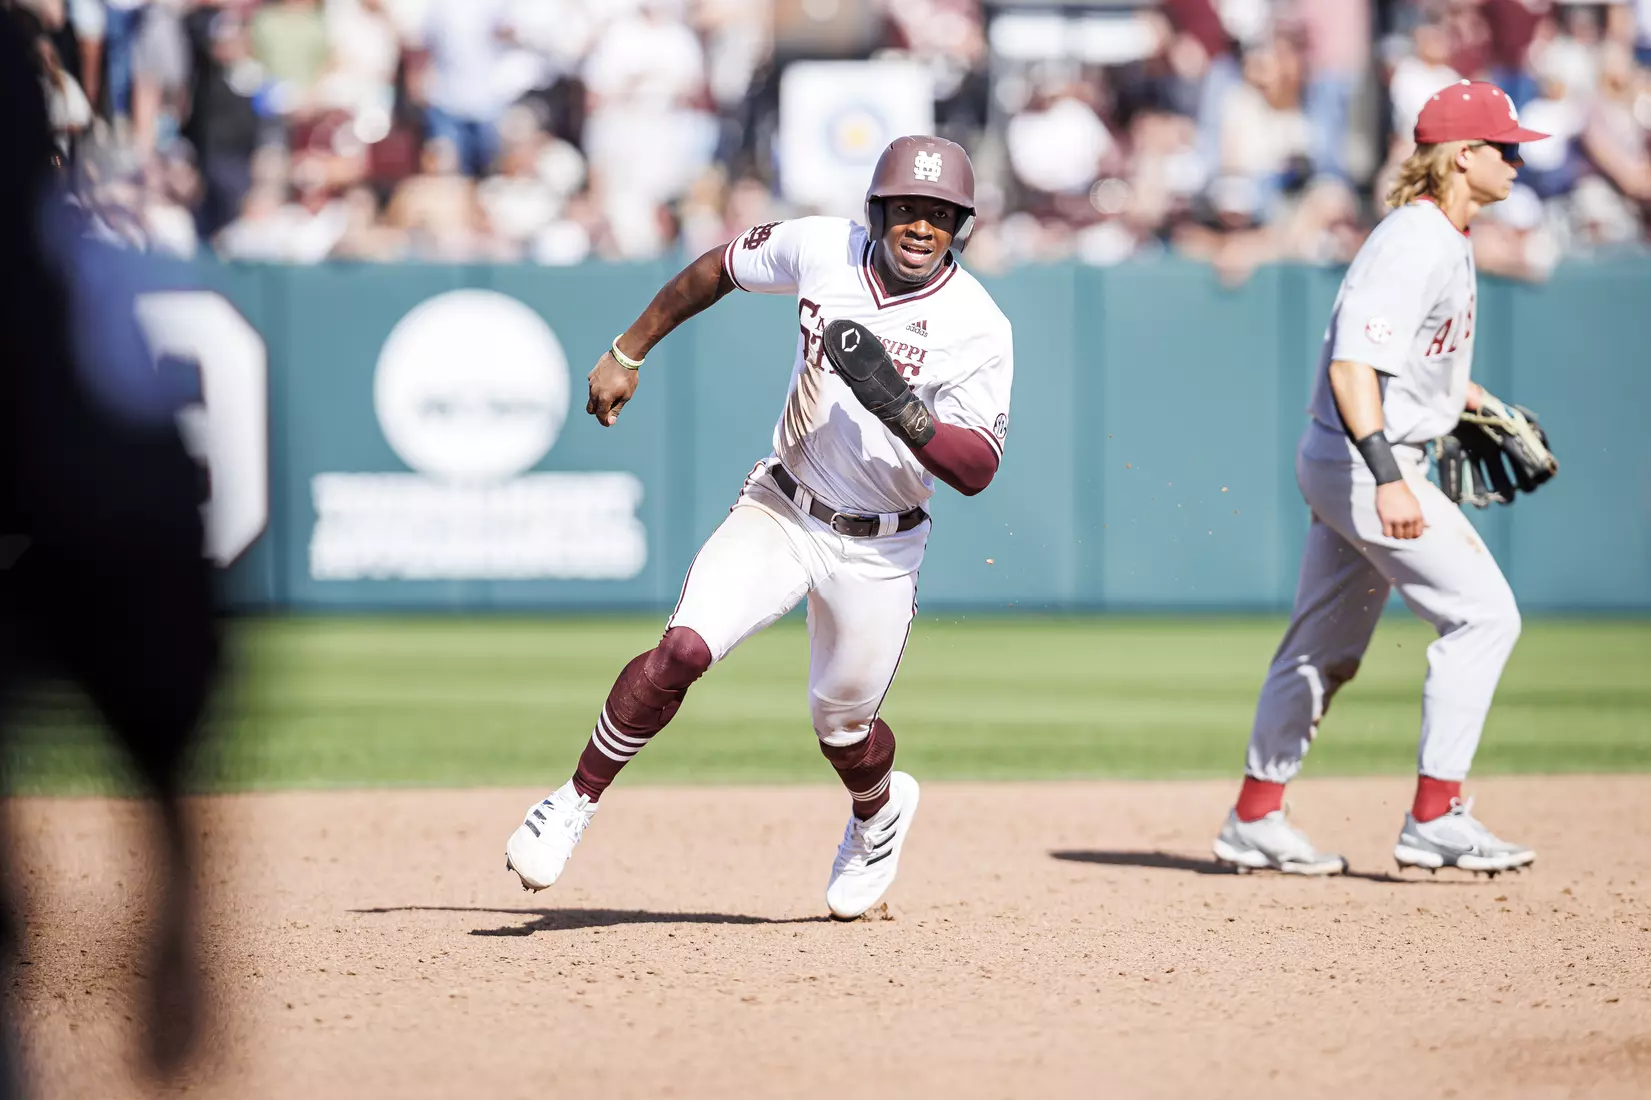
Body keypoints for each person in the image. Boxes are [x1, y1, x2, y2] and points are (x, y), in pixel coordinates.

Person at [504, 136, 1014, 919]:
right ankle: (573, 800)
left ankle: (876, 816)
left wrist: (899, 407)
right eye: (907, 209)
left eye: (940, 215)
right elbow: (717, 268)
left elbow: (976, 468)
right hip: (783, 502)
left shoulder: (976, 322)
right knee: (682, 648)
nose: (921, 226)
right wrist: (626, 350)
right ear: (876, 210)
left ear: (960, 227)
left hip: (880, 543)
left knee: (843, 730)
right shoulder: (823, 248)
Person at [1211, 81, 1549, 877]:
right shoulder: (1415, 241)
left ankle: (1254, 817)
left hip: (1355, 455)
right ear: (1462, 157)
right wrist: (1390, 476)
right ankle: (1436, 815)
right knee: (1483, 618)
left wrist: (1469, 401)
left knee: (1321, 650)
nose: (1515, 160)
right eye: (1503, 148)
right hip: (1369, 462)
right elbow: (1351, 364)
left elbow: (1408, 364)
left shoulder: (1442, 234)